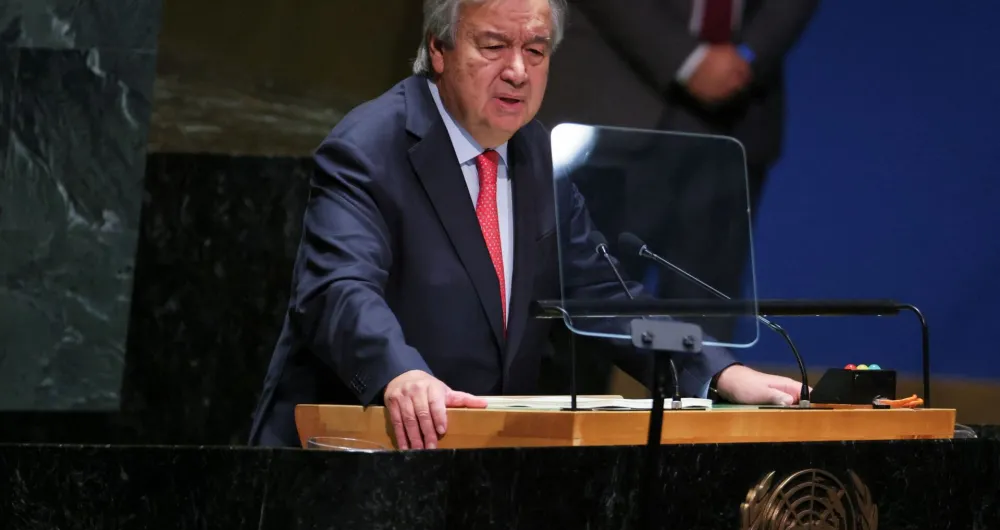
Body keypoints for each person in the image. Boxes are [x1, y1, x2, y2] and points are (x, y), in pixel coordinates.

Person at [247, 0, 804, 450]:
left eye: (535, 50)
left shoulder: (536, 154)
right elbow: (338, 290)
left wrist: (717, 371)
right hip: (352, 457)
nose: (517, 70)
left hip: (475, 464)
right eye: (493, 46)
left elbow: (605, 298)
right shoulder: (371, 147)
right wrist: (400, 374)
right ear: (438, 49)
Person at [538, 0, 820, 342]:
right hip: (614, 96)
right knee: (587, 309)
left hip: (736, 116)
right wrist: (688, 59)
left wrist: (746, 56)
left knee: (706, 323)